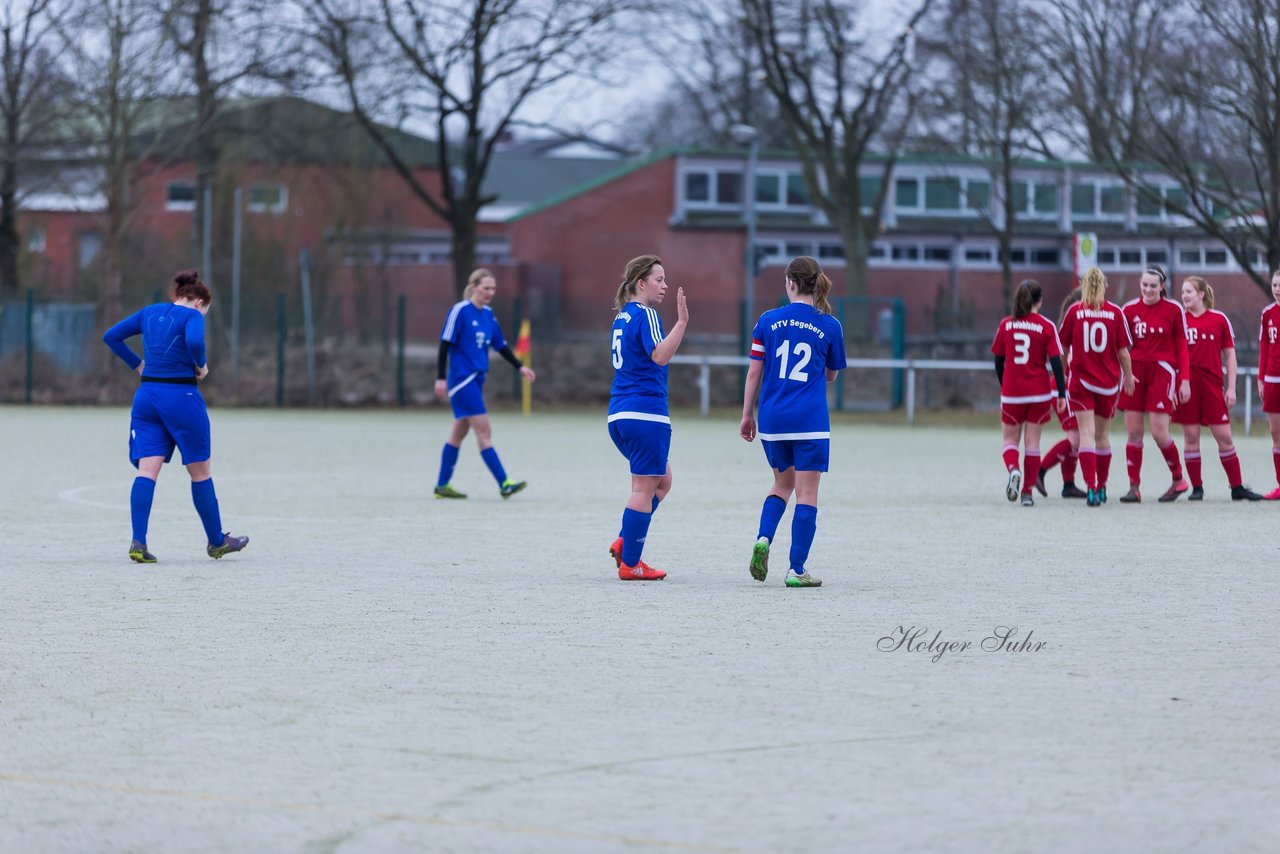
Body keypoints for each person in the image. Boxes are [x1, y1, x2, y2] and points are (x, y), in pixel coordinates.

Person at [101, 269, 249, 563]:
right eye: (205, 311)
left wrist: (139, 364)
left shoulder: (149, 312)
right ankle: (216, 541)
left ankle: (138, 542)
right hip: (181, 398)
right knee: (200, 472)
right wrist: (202, 366)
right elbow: (194, 342)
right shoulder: (192, 317)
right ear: (199, 303)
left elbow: (111, 336)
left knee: (147, 471)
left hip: (146, 398)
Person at [740, 256, 847, 587]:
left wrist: (747, 414)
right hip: (809, 420)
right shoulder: (830, 325)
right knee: (807, 493)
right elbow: (831, 375)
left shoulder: (767, 321)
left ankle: (763, 538)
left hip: (773, 419)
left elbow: (755, 371)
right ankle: (796, 569)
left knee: (781, 485)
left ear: (789, 283)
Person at [606, 255, 687, 581]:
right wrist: (681, 323)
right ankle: (632, 564)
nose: (665, 286)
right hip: (645, 413)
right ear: (641, 283)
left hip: (620, 414)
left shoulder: (622, 317)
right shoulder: (646, 314)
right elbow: (660, 356)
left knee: (661, 480)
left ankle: (625, 542)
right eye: (659, 279)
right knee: (643, 488)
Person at [433, 268, 536, 500]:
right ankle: (504, 483)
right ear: (474, 287)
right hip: (462, 381)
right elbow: (444, 344)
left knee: (458, 434)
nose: (491, 292)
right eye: (486, 287)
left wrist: (520, 367)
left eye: (493, 288)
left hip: (477, 380)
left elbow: (500, 346)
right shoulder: (460, 311)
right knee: (484, 431)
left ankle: (441, 486)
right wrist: (441, 377)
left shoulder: (489, 315)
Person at [1174, 276, 1263, 500]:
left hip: (1212, 386)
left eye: (1189, 292)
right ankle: (1197, 488)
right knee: (1191, 437)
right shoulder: (1179, 320)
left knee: (1225, 437)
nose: (1184, 296)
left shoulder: (1218, 319)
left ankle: (1237, 487)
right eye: (1183, 292)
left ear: (1201, 294)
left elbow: (1230, 355)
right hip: (1187, 387)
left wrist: (1231, 388)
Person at [1058, 267, 1136, 507]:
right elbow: (1123, 353)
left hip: (1080, 382)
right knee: (1102, 436)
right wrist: (1129, 377)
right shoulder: (1115, 313)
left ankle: (1090, 488)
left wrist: (1063, 372)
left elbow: (1063, 349)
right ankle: (1102, 486)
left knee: (1086, 436)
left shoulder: (1074, 311)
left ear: (1083, 285)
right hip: (1108, 384)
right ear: (1105, 286)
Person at [1116, 266, 1191, 502]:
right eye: (1144, 285)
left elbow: (1182, 347)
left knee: (1159, 432)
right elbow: (1120, 346)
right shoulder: (1128, 309)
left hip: (1162, 372)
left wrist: (1184, 380)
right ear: (1139, 283)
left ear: (1162, 286)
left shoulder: (1174, 309)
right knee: (1134, 432)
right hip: (1134, 373)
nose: (1148, 289)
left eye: (1153, 285)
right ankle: (1133, 487)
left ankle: (1179, 480)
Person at [990, 280, 1068, 507]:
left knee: (1009, 440)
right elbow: (1056, 363)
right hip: (1039, 394)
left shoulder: (1006, 325)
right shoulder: (1045, 326)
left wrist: (1005, 385)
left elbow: (998, 361)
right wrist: (1061, 394)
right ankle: (1027, 493)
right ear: (1039, 301)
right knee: (1032, 444)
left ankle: (1014, 470)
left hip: (1012, 393)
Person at [1035, 288, 1087, 499]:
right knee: (1076, 438)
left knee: (1075, 436)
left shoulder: (1079, 327)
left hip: (1068, 387)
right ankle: (1039, 471)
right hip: (1064, 387)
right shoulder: (1073, 330)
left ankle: (1068, 484)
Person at [1259, 269, 1280, 499]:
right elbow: (1264, 348)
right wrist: (1261, 378)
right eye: (1275, 285)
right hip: (1273, 379)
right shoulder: (1267, 314)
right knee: (1276, 434)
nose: (1277, 289)